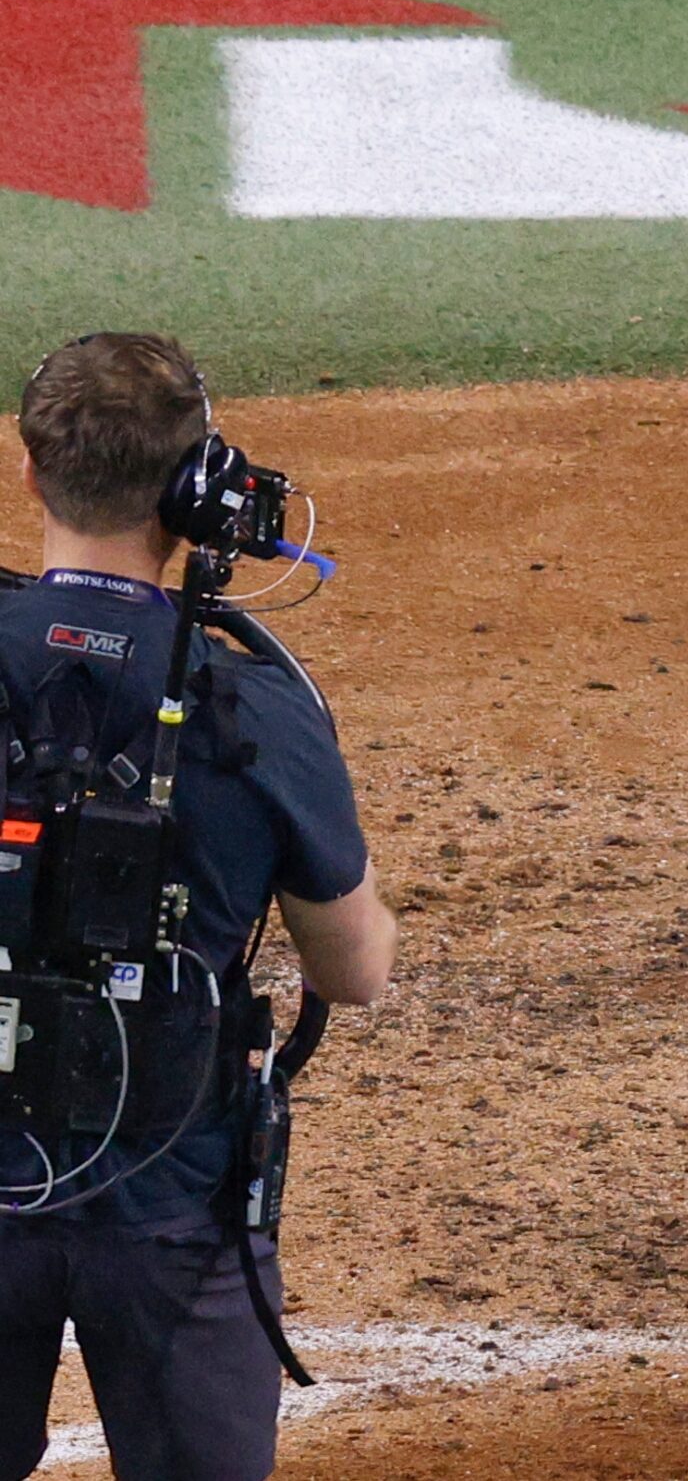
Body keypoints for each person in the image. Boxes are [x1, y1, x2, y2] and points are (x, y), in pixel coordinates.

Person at [0, 332, 397, 1480]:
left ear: (30, 473)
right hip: (169, 1205)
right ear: (192, 493)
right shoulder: (255, 705)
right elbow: (354, 971)